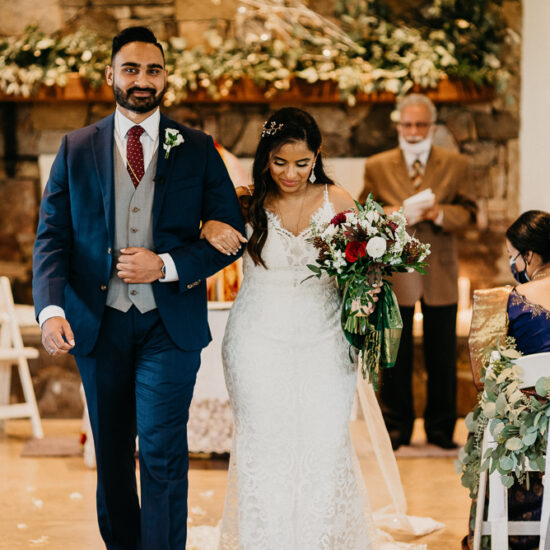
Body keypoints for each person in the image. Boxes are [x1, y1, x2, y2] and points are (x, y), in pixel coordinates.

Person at [32, 26, 245, 550]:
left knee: (162, 452)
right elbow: (52, 238)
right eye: (131, 69)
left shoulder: (197, 149)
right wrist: (50, 309)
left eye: (153, 70)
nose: (143, 80)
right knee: (111, 457)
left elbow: (231, 237)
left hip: (168, 327)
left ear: (166, 76)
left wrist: (167, 264)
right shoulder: (76, 148)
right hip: (96, 327)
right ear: (111, 75)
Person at [200, 107, 433, 549]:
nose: (291, 174)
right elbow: (202, 232)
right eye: (279, 162)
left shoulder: (339, 201)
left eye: (302, 163)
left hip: (324, 340)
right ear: (265, 158)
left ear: (317, 156)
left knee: (324, 446)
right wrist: (210, 223)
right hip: (256, 340)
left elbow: (366, 268)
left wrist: (368, 289)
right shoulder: (245, 200)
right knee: (264, 447)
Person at [359, 93, 477, 450]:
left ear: (432, 127)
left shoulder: (456, 164)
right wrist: (397, 212)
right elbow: (364, 213)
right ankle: (397, 428)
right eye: (407, 124)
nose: (413, 131)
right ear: (398, 125)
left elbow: (472, 215)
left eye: (420, 124)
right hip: (396, 274)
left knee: (442, 355)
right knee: (394, 354)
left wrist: (439, 214)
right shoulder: (377, 165)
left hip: (439, 273)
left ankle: (441, 431)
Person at [463, 210, 550, 550]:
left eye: (512, 255)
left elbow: (483, 377)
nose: (512, 262)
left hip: (529, 429)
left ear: (529, 255)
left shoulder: (503, 301)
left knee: (493, 415)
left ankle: (510, 530)